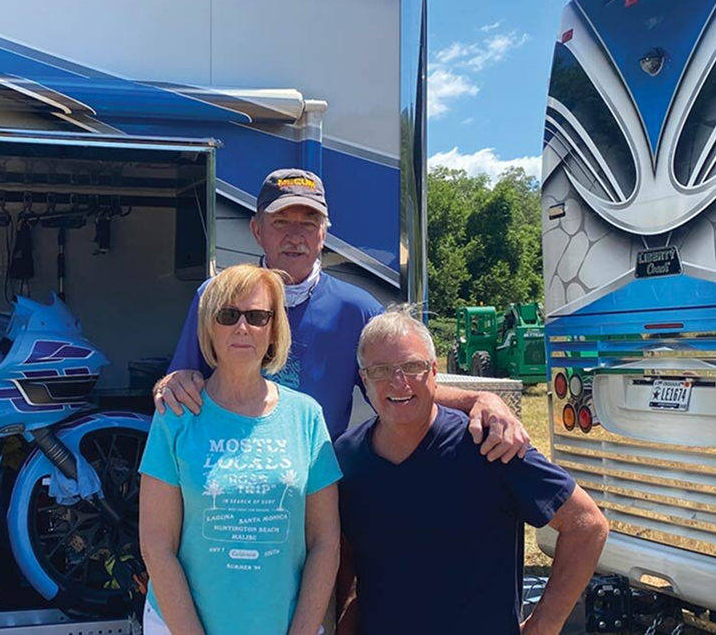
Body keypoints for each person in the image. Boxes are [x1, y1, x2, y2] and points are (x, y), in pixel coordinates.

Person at [155, 168, 529, 460]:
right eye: (282, 222)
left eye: (309, 222)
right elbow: (180, 379)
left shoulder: (357, 309)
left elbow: (401, 385)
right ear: (257, 230)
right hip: (231, 477)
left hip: (316, 484)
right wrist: (171, 382)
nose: (295, 236)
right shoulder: (217, 298)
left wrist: (481, 399)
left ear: (324, 234)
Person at [334, 306, 608, 635]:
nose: (398, 381)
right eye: (380, 370)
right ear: (364, 379)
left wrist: (544, 624)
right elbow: (346, 554)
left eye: (412, 366)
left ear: (434, 371)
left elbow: (586, 525)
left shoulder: (488, 444)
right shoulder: (347, 457)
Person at [140, 264, 341, 635]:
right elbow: (156, 544)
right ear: (208, 328)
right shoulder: (177, 414)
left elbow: (325, 542)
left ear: (274, 330)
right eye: (228, 315)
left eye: (258, 316)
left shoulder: (306, 417)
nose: (242, 327)